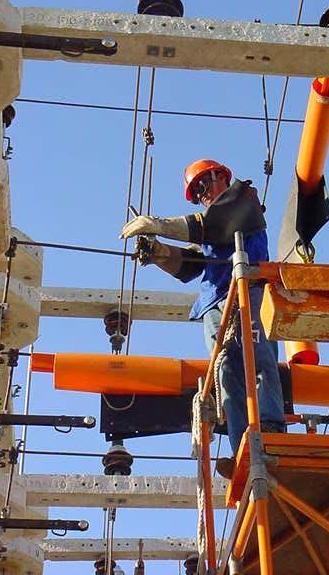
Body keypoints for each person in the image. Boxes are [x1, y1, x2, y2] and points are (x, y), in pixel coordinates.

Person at [120, 159, 285, 477]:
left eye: (202, 186)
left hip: (246, 289)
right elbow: (191, 264)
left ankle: (271, 431)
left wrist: (158, 224)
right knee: (226, 371)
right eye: (196, 193)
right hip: (214, 305)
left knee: (256, 358)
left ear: (220, 176)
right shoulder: (213, 230)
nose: (201, 194)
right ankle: (243, 449)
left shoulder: (242, 201)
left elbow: (216, 224)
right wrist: (157, 252)